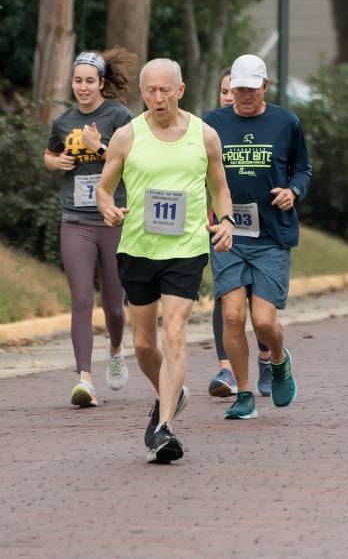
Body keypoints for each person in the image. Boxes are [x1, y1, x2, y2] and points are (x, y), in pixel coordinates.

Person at [95, 59, 235, 463]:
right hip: (138, 248)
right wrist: (107, 208)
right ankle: (172, 391)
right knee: (143, 344)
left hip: (186, 249)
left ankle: (166, 427)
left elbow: (220, 188)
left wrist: (224, 221)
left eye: (165, 90)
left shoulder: (204, 136)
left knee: (174, 332)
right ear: (142, 93)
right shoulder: (126, 136)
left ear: (181, 90)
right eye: (150, 91)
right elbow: (105, 189)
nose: (158, 98)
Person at [203, 54, 311, 420]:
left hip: (271, 234)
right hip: (228, 232)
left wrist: (293, 191)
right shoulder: (212, 123)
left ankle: (279, 359)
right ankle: (244, 393)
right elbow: (194, 169)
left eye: (251, 89)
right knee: (232, 316)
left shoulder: (285, 122)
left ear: (265, 87)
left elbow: (303, 169)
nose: (243, 96)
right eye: (237, 90)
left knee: (264, 322)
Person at [43, 49, 135, 407]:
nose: (83, 87)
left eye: (90, 81)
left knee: (113, 304)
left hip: (111, 218)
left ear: (101, 84)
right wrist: (58, 161)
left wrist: (101, 148)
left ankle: (114, 350)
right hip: (75, 217)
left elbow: (135, 158)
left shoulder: (119, 115)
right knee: (81, 298)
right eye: (78, 81)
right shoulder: (64, 121)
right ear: (72, 83)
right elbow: (49, 154)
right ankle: (84, 378)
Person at [206, 68, 272, 400]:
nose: (231, 97)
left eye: (237, 91)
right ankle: (227, 368)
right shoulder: (211, 125)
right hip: (222, 223)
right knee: (228, 301)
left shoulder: (272, 124)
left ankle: (265, 357)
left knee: (257, 306)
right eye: (225, 91)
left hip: (263, 227)